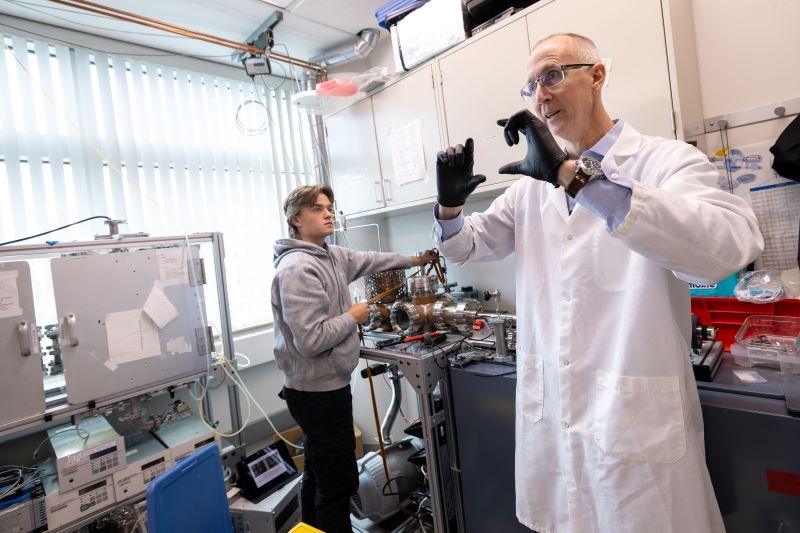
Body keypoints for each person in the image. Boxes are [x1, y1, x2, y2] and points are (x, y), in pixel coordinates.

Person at [433, 33, 763, 532]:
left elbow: (726, 249)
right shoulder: (529, 189)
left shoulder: (665, 161)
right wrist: (449, 207)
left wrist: (575, 178)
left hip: (636, 425)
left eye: (552, 75)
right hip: (556, 422)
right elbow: (467, 247)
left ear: (597, 75)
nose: (541, 95)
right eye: (530, 86)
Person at [272, 184, 435, 533]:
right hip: (317, 393)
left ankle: (310, 529)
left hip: (328, 386)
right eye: (317, 209)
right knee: (339, 483)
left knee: (318, 469)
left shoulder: (330, 255)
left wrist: (416, 260)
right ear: (296, 219)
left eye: (329, 207)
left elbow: (373, 260)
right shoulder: (298, 269)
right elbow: (311, 340)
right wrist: (353, 317)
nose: (328, 213)